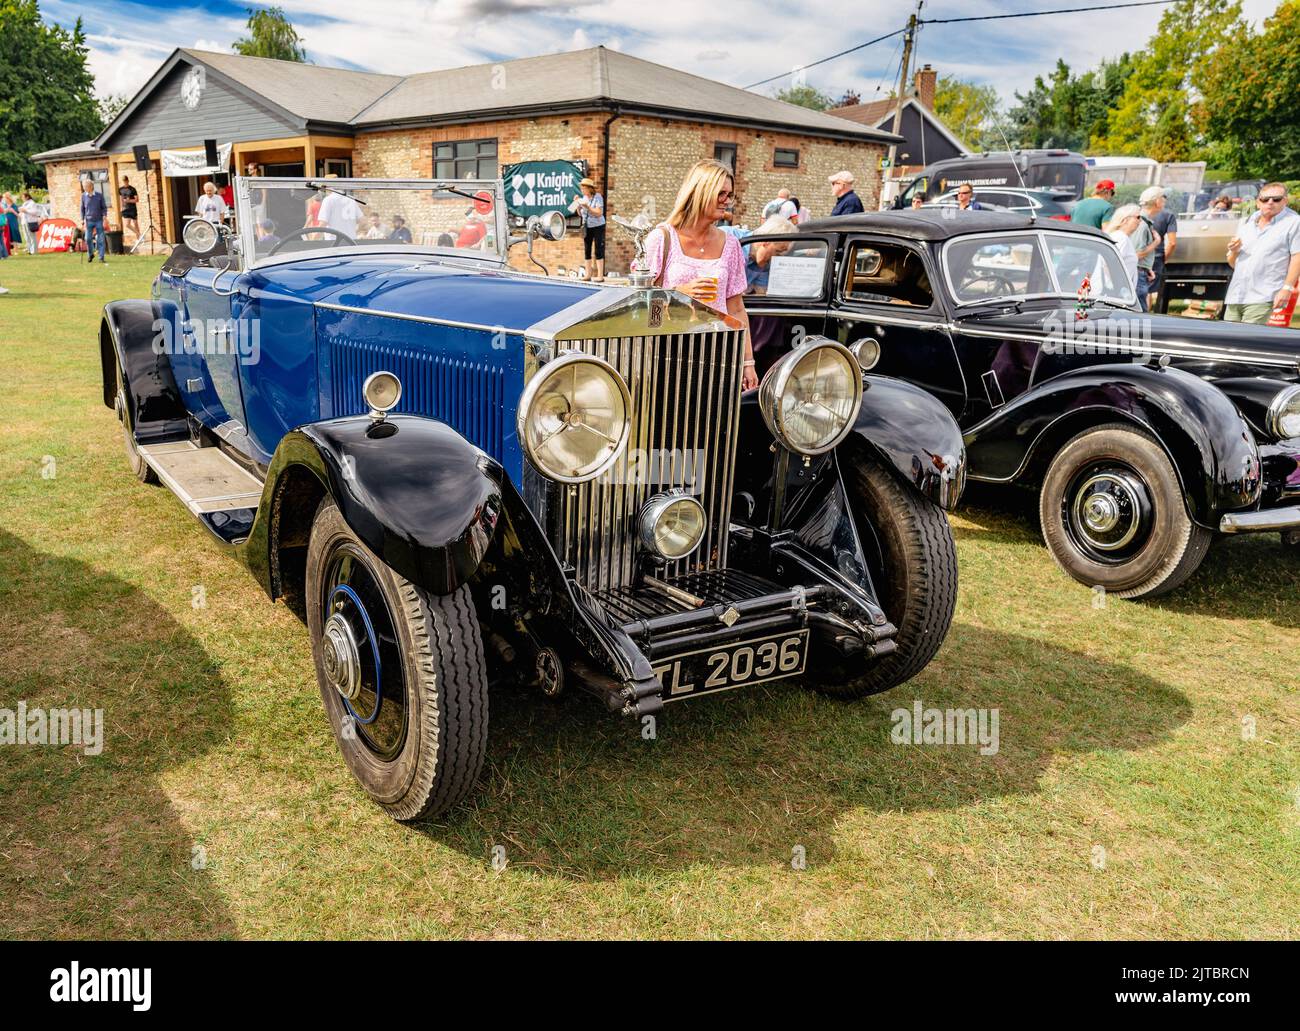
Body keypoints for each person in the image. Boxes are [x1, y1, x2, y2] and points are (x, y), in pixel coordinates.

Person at [644, 158, 758, 389]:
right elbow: (639, 303)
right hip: (667, 353)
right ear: (700, 192)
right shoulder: (662, 238)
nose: (727, 201)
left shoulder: (731, 244)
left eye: (730, 195)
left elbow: (736, 308)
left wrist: (748, 361)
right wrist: (677, 293)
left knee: (717, 421)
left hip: (719, 352)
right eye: (721, 194)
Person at [1225, 182, 1300, 325]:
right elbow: (1233, 263)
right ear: (1258, 202)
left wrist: (1287, 288)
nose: (1270, 202)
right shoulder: (1247, 222)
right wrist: (1234, 252)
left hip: (1264, 295)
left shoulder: (1294, 222)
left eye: (1276, 199)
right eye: (1265, 199)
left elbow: (1298, 256)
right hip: (1236, 295)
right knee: (1228, 342)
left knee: (1247, 342)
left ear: (1285, 201)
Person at [744, 215, 798, 294]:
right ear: (766, 242)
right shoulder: (729, 241)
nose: (775, 258)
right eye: (778, 251)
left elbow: (761, 292)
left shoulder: (765, 263)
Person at [1143, 186, 1178, 309]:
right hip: (1157, 256)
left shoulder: (1138, 213)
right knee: (1148, 290)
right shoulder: (1168, 215)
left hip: (1140, 255)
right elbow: (1172, 243)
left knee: (1141, 289)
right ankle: (1146, 316)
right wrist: (1164, 258)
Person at [1133, 192, 1163, 310]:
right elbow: (1137, 254)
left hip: (1141, 271)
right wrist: (1157, 242)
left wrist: (1147, 268)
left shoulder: (1144, 222)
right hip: (1138, 274)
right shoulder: (1143, 224)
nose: (1164, 202)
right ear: (1157, 202)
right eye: (1162, 199)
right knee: (1140, 315)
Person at [575, 177, 606, 281]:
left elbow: (599, 213)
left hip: (598, 226)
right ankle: (588, 275)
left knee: (598, 250)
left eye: (584, 188)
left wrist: (587, 206)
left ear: (589, 188)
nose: (582, 190)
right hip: (587, 226)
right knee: (587, 250)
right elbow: (580, 214)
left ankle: (600, 276)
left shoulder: (598, 197)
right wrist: (578, 207)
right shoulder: (583, 198)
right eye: (581, 188)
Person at [1106, 204, 1141, 294]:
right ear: (1125, 220)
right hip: (1117, 291)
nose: (1140, 221)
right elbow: (1108, 264)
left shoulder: (1122, 237)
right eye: (1138, 217)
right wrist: (1117, 289)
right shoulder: (1121, 238)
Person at [80, 179, 108, 263]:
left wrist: (104, 216)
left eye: (86, 186)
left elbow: (104, 207)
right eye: (84, 186)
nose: (84, 188)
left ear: (91, 186)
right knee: (87, 239)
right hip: (88, 221)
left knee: (101, 239)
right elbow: (82, 209)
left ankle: (101, 257)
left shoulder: (99, 196)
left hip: (99, 220)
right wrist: (82, 219)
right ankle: (90, 254)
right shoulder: (83, 196)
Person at [118, 175, 139, 240]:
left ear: (128, 181)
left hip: (132, 208)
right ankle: (139, 235)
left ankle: (139, 239)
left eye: (126, 181)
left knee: (135, 224)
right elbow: (121, 199)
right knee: (127, 225)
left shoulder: (132, 189)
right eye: (124, 181)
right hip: (126, 209)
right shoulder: (120, 189)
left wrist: (128, 200)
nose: (125, 183)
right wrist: (121, 208)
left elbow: (137, 200)